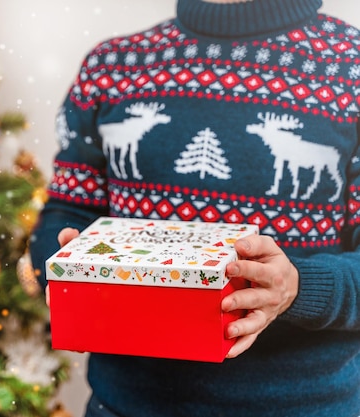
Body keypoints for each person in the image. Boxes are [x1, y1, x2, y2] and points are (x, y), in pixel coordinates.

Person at [29, 0, 360, 416]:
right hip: (125, 404)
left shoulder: (350, 65)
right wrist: (67, 273)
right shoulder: (112, 65)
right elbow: (65, 211)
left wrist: (297, 287)